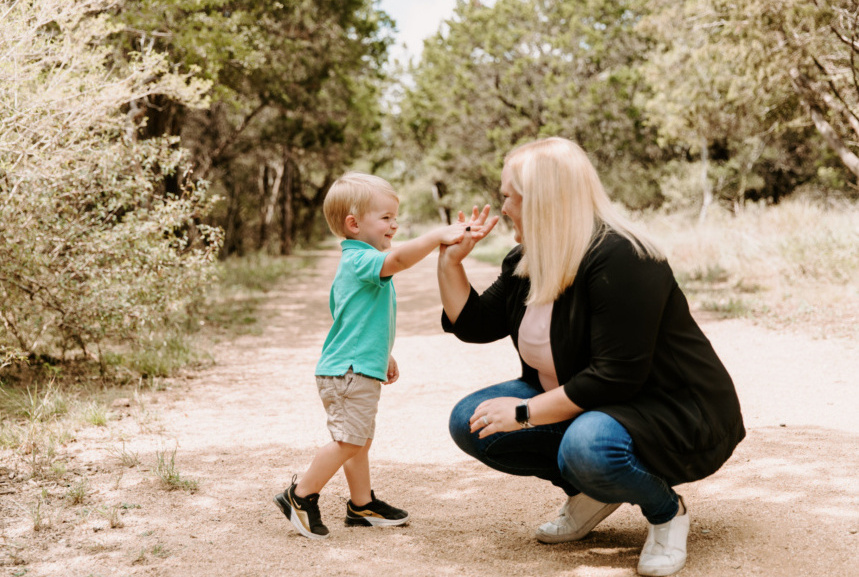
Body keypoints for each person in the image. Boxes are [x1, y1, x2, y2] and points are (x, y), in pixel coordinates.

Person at [438, 137, 745, 576]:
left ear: (540, 200)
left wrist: (525, 411)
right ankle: (595, 490)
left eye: (508, 197)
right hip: (594, 405)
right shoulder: (529, 258)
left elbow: (615, 378)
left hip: (671, 407)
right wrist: (450, 264)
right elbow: (473, 324)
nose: (502, 207)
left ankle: (665, 511)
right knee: (470, 420)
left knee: (588, 445)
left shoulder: (624, 258)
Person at [274, 171, 486, 540]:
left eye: (394, 216)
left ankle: (361, 505)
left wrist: (383, 355)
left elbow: (355, 320)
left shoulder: (361, 263)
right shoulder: (360, 260)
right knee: (349, 439)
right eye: (386, 218)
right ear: (353, 224)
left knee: (359, 438)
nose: (395, 224)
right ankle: (301, 495)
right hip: (348, 372)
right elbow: (400, 260)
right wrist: (437, 235)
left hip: (357, 367)